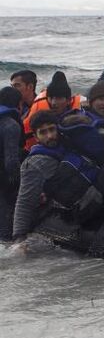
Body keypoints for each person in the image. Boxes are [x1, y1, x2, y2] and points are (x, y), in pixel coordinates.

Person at [12, 111, 104, 244]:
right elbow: (25, 202)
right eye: (43, 132)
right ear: (36, 137)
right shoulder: (35, 164)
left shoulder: (71, 144)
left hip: (95, 197)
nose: (49, 136)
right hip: (68, 215)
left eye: (51, 129)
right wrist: (19, 239)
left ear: (58, 129)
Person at [23, 72, 83, 149]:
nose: (53, 103)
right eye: (51, 98)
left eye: (59, 98)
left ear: (69, 100)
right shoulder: (38, 113)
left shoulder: (81, 112)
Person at [0, 87, 25, 240]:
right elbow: (11, 162)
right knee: (5, 231)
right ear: (17, 105)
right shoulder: (10, 125)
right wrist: (20, 185)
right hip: (2, 181)